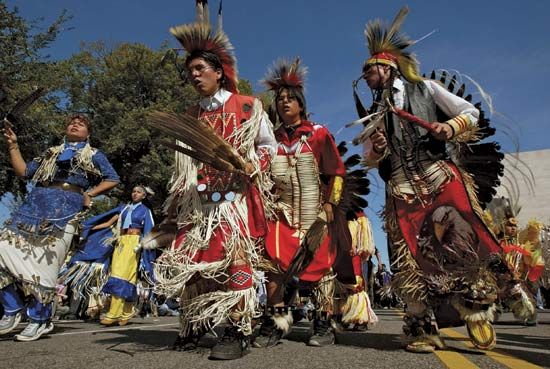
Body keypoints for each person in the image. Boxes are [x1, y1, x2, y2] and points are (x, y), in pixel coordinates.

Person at [352, 7, 505, 353]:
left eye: (370, 70)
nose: (366, 76)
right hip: (403, 187)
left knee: (463, 241)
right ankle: (422, 325)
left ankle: (477, 312)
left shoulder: (426, 90)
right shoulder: (373, 114)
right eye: (365, 73)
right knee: (410, 255)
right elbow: (369, 160)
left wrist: (448, 127)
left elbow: (470, 113)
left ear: (388, 66)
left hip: (439, 177)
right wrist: (377, 150)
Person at [152, 17, 276, 360]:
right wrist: (176, 205)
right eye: (190, 70)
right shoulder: (190, 117)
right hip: (198, 201)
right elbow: (183, 169)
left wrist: (254, 165)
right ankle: (193, 324)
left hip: (234, 197)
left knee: (236, 258)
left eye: (200, 68)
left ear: (218, 72)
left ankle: (237, 330)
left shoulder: (249, 106)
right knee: (192, 262)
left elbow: (269, 146)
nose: (194, 75)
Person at [0, 114, 119, 341]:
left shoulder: (93, 155)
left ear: (88, 134)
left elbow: (112, 178)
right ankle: (12, 308)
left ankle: (39, 319)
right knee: (2, 250)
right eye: (72, 122)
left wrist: (89, 194)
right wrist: (13, 144)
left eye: (81, 124)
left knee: (46, 265)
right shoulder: (50, 153)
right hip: (33, 207)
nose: (75, 124)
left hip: (65, 211)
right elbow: (25, 173)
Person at [254, 58, 346, 348]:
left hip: (313, 213)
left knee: (320, 267)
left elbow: (337, 172)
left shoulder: (318, 133)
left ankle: (323, 324)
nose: (284, 103)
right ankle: (275, 322)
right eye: (279, 100)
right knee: (272, 265)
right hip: (280, 213)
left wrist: (330, 206)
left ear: (301, 104)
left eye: (290, 99)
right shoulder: (270, 139)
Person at [93, 185, 156, 326]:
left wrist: (142, 244)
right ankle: (126, 312)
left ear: (144, 196)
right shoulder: (124, 208)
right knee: (128, 277)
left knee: (119, 275)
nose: (135, 194)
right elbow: (109, 222)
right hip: (120, 241)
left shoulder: (145, 211)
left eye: (139, 192)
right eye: (133, 191)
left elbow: (149, 229)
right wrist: (92, 227)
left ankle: (114, 313)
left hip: (134, 243)